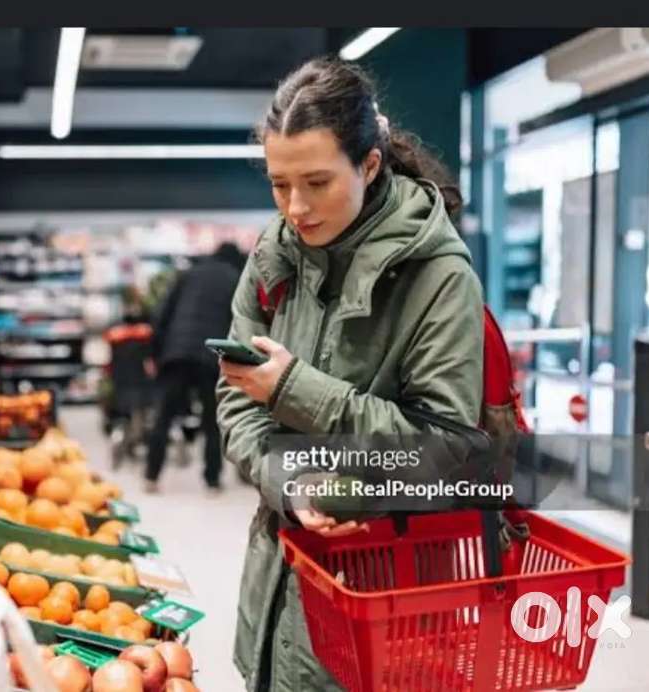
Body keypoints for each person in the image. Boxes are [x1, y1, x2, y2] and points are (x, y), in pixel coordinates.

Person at [216, 58, 484, 691]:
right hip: (278, 578)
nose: (296, 207)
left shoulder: (438, 279)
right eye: (279, 185)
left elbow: (446, 447)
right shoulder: (272, 254)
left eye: (316, 182)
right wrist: (289, 480)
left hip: (385, 596)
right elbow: (235, 398)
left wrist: (293, 389)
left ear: (369, 164)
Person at [146, 242, 245, 493]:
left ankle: (151, 476)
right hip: (211, 356)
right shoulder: (236, 279)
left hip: (176, 353)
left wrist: (155, 354)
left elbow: (162, 314)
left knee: (164, 417)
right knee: (211, 421)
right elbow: (240, 325)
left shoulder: (189, 273)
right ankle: (212, 480)